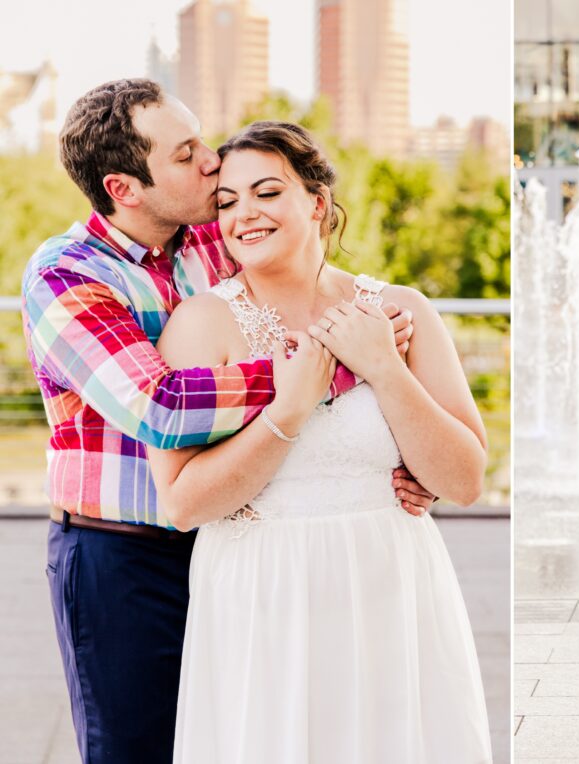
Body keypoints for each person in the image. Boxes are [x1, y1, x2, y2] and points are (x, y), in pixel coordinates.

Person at [20, 79, 430, 764]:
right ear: (125, 188)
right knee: (137, 749)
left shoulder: (216, 236)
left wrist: (383, 435)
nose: (213, 162)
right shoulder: (66, 275)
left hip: (238, 543)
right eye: (186, 155)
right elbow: (162, 408)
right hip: (123, 559)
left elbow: (317, 292)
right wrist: (337, 360)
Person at [146, 121, 492, 763]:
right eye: (226, 200)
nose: (242, 213)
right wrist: (291, 408)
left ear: (317, 203)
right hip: (265, 597)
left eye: (267, 192)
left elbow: (466, 480)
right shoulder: (201, 324)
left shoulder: (400, 308)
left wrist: (385, 368)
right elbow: (183, 504)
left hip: (392, 585)